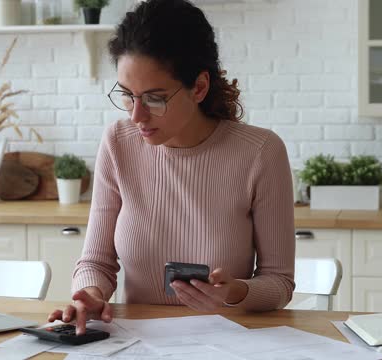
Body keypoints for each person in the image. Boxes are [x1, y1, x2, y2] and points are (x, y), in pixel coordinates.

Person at [48, 0, 295, 335]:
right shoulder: (118, 143)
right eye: (127, 95)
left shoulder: (261, 152)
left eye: (154, 98)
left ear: (199, 87)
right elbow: (97, 263)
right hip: (135, 344)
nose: (136, 116)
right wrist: (89, 296)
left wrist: (233, 292)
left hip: (226, 344)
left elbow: (279, 283)